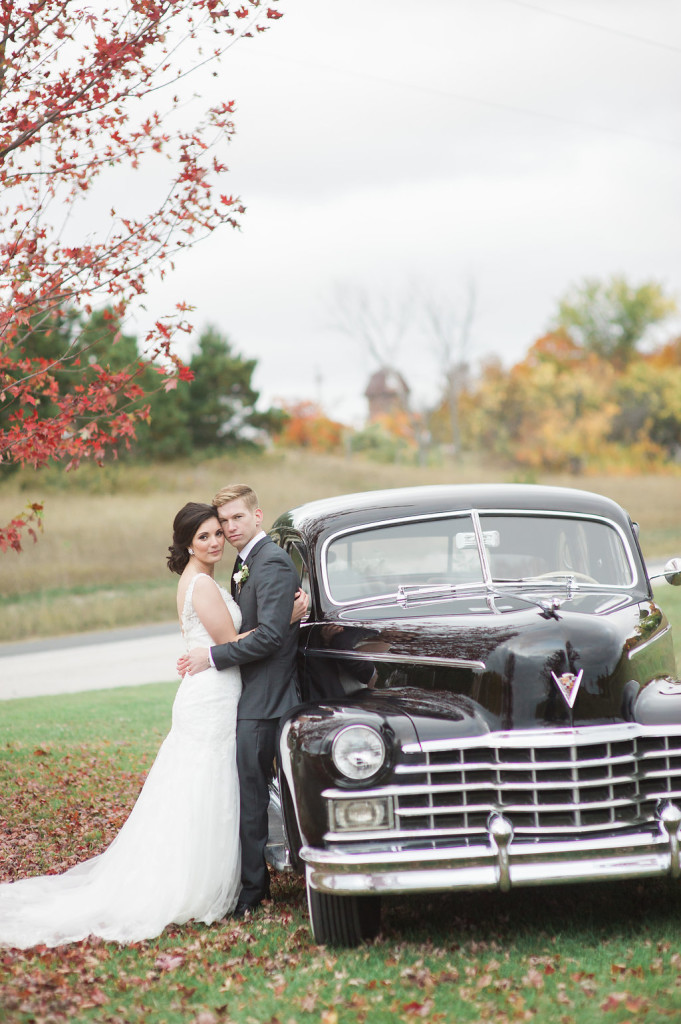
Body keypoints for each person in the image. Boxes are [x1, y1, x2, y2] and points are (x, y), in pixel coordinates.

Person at [0, 503, 252, 948]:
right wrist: (283, 623)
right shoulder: (202, 586)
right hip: (210, 696)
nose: (215, 542)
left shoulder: (198, 580)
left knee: (196, 787)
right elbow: (230, 644)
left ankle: (194, 873)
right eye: (204, 537)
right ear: (187, 544)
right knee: (203, 786)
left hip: (209, 692)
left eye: (217, 533)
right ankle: (189, 884)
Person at [178, 483, 303, 919]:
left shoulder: (268, 562)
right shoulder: (242, 563)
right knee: (245, 793)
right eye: (221, 522)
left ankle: (253, 892)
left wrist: (210, 656)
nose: (228, 529)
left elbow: (269, 636)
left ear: (257, 516)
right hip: (243, 694)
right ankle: (253, 884)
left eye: (235, 519)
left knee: (250, 796)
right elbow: (262, 627)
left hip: (265, 697)